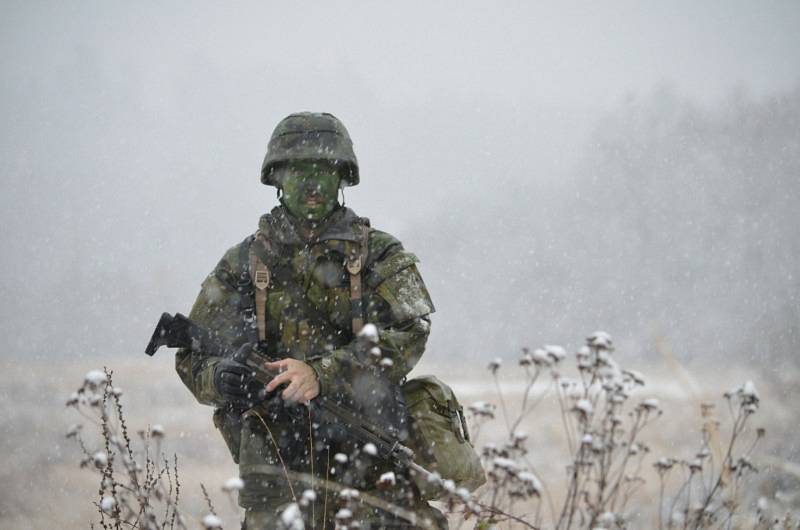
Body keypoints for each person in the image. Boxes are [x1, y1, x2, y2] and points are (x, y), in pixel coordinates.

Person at [175, 112, 447, 529]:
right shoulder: (244, 264)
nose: (313, 183)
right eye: (300, 170)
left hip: (368, 461)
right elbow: (192, 356)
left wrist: (322, 373)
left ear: (342, 177)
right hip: (276, 468)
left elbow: (412, 331)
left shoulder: (377, 254)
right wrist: (223, 377)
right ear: (278, 177)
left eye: (323, 169)